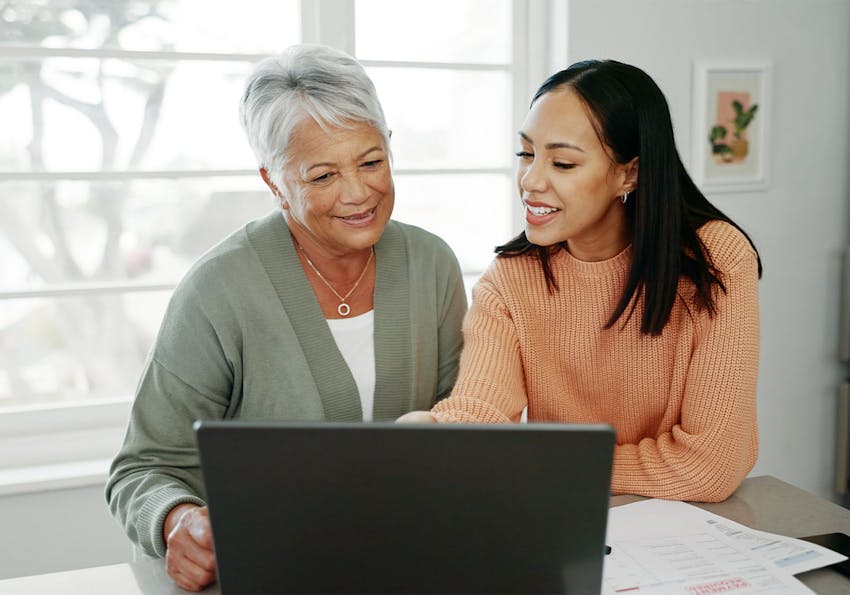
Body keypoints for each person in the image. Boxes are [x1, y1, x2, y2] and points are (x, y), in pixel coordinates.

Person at [106, 44, 467, 592]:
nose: (358, 193)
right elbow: (141, 469)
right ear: (273, 181)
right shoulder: (218, 289)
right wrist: (176, 519)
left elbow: (463, 428)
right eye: (322, 176)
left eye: (371, 161)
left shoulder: (432, 264)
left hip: (404, 566)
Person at [399, 59, 761, 504]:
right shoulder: (511, 280)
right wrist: (437, 431)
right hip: (567, 512)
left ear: (629, 173)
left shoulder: (715, 260)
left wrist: (549, 462)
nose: (530, 181)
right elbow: (481, 410)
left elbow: (711, 465)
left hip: (687, 528)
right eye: (527, 154)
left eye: (563, 163)